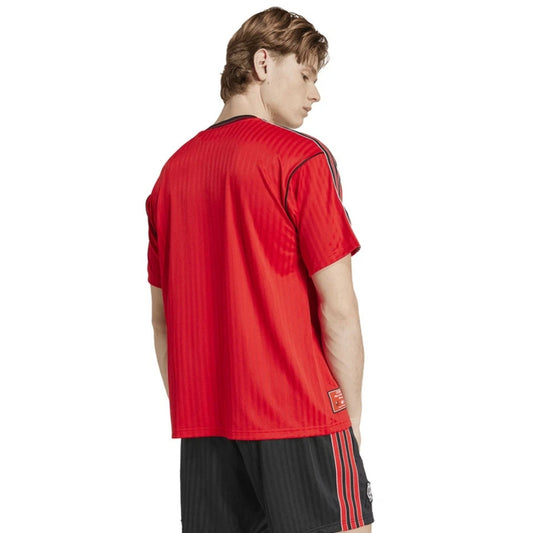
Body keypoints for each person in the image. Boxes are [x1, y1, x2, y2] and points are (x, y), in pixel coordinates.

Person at [145, 6, 375, 532]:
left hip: (206, 432)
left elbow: (163, 321)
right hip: (300, 416)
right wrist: (349, 422)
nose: (316, 94)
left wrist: (202, 407)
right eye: (306, 75)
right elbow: (338, 308)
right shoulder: (299, 160)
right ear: (264, 64)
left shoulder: (170, 176)